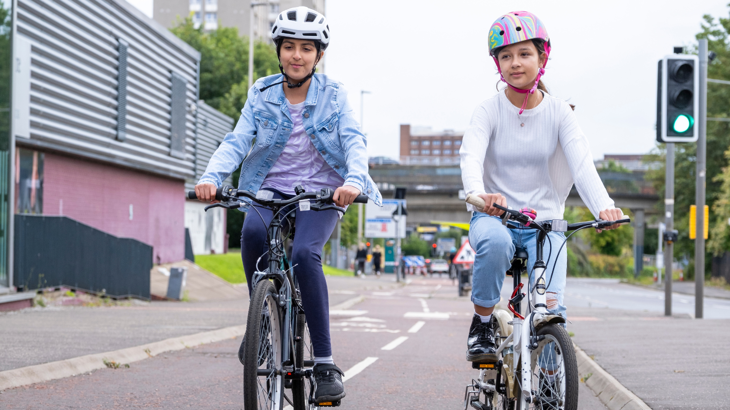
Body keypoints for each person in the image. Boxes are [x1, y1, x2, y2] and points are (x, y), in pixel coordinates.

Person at [193, 6, 382, 404]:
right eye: (290, 47)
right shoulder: (261, 93)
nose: (297, 55)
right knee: (252, 233)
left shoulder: (334, 94)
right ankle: (262, 321)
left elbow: (353, 140)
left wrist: (352, 181)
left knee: (305, 254)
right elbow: (237, 140)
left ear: (319, 55)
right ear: (278, 51)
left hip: (322, 194)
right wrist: (213, 177)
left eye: (306, 49)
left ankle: (326, 363)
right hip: (269, 190)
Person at [460, 11, 623, 364]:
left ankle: (552, 383)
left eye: (524, 54)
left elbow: (582, 163)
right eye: (505, 56)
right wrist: (479, 193)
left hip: (545, 225)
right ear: (497, 64)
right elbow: (470, 155)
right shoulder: (487, 111)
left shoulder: (560, 113)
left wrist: (604, 208)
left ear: (542, 57)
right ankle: (483, 323)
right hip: (496, 217)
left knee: (551, 309)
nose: (514, 63)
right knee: (496, 242)